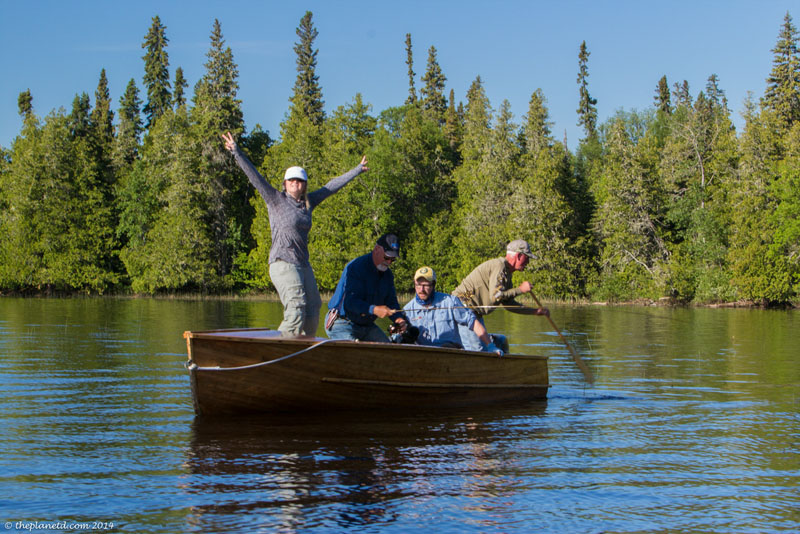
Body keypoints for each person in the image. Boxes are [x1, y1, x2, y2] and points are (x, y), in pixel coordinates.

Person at [221, 131, 368, 337]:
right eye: (291, 181)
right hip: (282, 262)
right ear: (285, 183)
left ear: (304, 185)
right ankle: (280, 348)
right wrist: (236, 152)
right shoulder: (275, 199)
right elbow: (254, 176)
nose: (295, 184)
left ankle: (303, 345)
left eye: (299, 181)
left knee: (314, 305)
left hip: (302, 264)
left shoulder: (309, 202)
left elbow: (331, 186)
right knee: (297, 304)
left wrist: (357, 170)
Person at [452, 239, 549, 351]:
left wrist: (535, 311)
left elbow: (508, 304)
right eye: (526, 258)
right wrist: (520, 290)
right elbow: (496, 297)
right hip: (461, 309)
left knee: (500, 343)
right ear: (518, 256)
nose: (528, 262)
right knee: (478, 351)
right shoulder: (500, 266)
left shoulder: (507, 274)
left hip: (473, 314)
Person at [398, 266, 503, 354]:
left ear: (433, 285)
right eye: (418, 285)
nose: (421, 290)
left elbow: (473, 323)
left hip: (450, 353)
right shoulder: (407, 310)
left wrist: (490, 345)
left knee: (446, 347)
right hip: (423, 355)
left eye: (426, 285)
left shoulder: (450, 301)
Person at [325, 233, 409, 342]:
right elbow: (350, 303)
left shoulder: (388, 275)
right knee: (356, 352)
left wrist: (398, 318)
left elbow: (391, 302)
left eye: (393, 260)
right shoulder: (355, 267)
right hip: (342, 323)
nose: (389, 262)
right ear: (377, 249)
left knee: (388, 352)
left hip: (367, 325)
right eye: (387, 257)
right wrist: (374, 309)